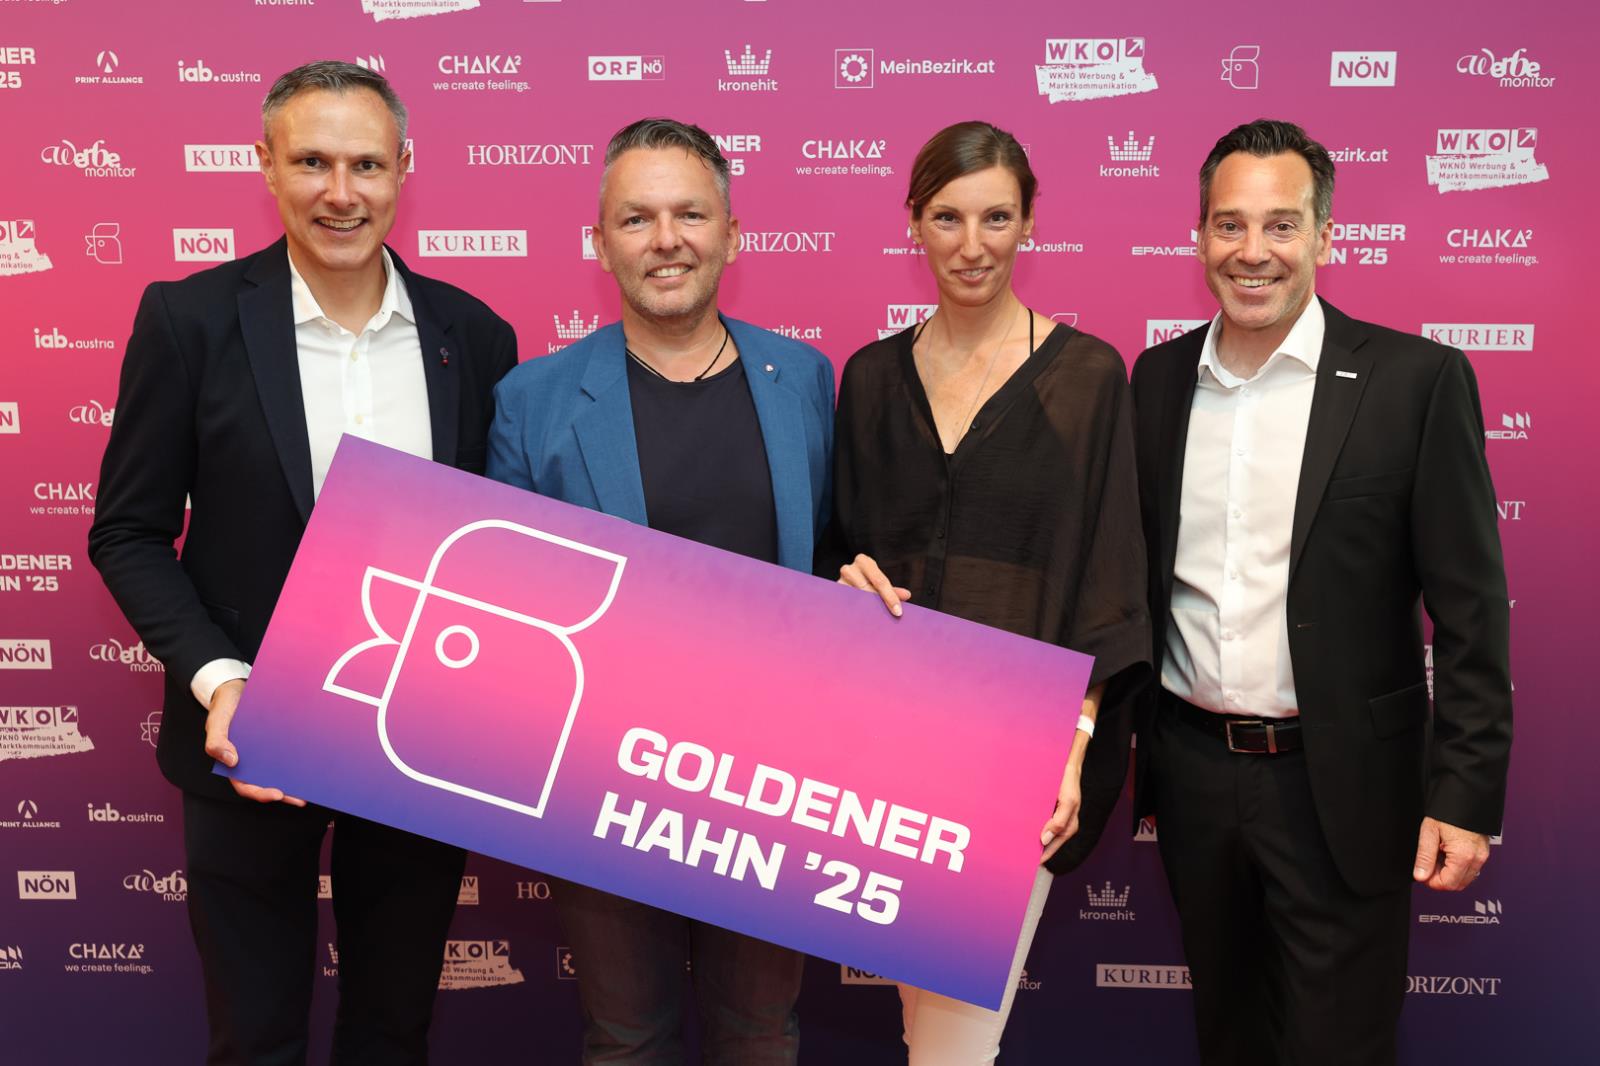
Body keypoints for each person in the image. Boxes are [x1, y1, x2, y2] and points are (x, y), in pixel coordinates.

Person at [88, 61, 518, 1065]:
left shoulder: (474, 335)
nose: (340, 192)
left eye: (365, 164)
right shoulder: (189, 321)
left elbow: (501, 550)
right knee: (255, 1037)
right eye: (313, 162)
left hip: (419, 742)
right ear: (266, 166)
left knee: (392, 1031)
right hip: (246, 737)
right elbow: (128, 532)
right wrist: (222, 680)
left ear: (404, 167)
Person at [1130, 119, 1513, 1066]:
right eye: (1229, 225)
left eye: (1281, 225)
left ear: (1326, 237)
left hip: (1343, 788)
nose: (1252, 251)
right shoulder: (1157, 379)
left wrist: (1465, 793)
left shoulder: (1414, 382)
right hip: (1194, 778)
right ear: (1199, 237)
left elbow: (1471, 611)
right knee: (1228, 1036)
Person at [486, 118, 833, 1065]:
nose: (666, 239)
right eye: (636, 218)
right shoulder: (533, 399)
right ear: (601, 243)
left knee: (759, 1036)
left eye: (691, 214)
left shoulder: (803, 379)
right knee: (626, 1040)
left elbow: (832, 559)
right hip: (601, 777)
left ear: (732, 233)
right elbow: (505, 603)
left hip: (771, 779)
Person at [826, 120, 1150, 1066]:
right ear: (914, 224)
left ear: (1030, 221)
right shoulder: (869, 378)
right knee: (926, 1030)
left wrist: (1072, 743)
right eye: (948, 218)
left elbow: (1107, 578)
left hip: (1019, 753)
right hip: (882, 751)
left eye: (996, 217)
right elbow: (838, 552)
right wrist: (845, 575)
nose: (972, 246)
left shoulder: (1090, 378)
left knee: (955, 1045)